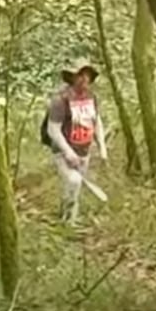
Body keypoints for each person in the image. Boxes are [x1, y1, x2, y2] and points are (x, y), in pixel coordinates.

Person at [44, 60, 107, 224]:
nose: (84, 79)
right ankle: (68, 223)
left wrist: (102, 147)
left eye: (87, 75)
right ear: (72, 77)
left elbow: (96, 121)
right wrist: (68, 152)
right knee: (74, 181)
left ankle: (67, 219)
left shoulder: (92, 97)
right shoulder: (60, 100)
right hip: (63, 152)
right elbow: (53, 129)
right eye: (80, 75)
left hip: (84, 151)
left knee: (74, 188)